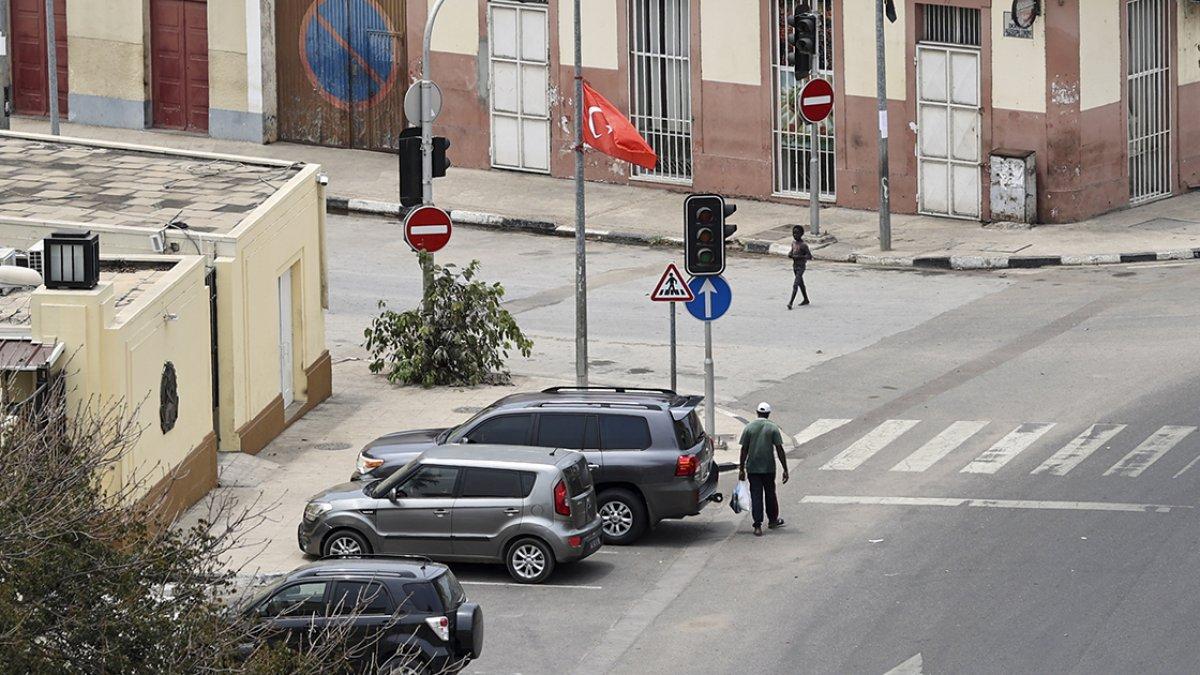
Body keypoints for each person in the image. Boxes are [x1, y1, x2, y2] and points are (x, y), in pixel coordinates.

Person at [738, 402, 790, 536]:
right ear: (768, 414)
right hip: (768, 468)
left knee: (756, 495)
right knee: (770, 494)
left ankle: (757, 525)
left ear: (757, 412)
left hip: (753, 468)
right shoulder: (773, 428)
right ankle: (772, 520)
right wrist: (785, 469)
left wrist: (742, 468)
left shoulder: (749, 428)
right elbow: (779, 449)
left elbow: (744, 449)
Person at [788, 225, 813, 310]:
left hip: (801, 266)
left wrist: (800, 257)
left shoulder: (803, 245)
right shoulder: (793, 243)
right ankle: (806, 299)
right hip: (794, 266)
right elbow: (791, 252)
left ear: (801, 234)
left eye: (797, 233)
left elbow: (809, 256)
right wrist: (790, 255)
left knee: (796, 284)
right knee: (800, 284)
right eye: (793, 233)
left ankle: (790, 302)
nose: (795, 235)